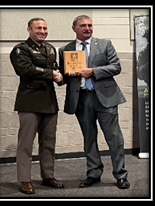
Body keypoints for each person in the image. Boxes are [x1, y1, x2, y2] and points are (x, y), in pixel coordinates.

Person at [58, 15, 130, 189]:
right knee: (89, 138)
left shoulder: (105, 44)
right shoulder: (64, 50)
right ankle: (94, 173)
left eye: (90, 25)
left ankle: (120, 175)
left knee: (114, 138)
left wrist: (93, 71)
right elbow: (63, 75)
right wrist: (60, 77)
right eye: (83, 25)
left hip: (106, 98)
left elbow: (116, 67)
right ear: (74, 28)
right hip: (81, 99)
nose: (87, 28)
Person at [9, 17, 64, 194]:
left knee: (48, 143)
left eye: (45, 28)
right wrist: (51, 74)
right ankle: (24, 180)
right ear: (29, 30)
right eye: (38, 28)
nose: (42, 31)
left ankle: (48, 176)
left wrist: (63, 76)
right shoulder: (20, 49)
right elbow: (26, 70)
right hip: (29, 101)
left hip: (49, 102)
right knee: (25, 144)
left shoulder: (50, 48)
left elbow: (56, 70)